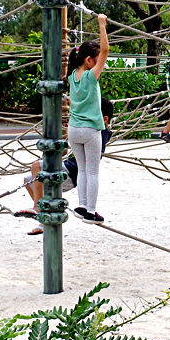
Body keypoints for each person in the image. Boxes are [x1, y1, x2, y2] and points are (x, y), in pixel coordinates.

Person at [17, 98, 113, 234]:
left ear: (104, 120)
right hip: (69, 169)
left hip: (72, 173)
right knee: (28, 180)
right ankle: (44, 218)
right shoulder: (92, 131)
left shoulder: (100, 133)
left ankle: (38, 209)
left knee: (36, 166)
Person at [66, 14, 109, 222]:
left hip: (73, 129)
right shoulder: (91, 76)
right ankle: (91, 211)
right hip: (90, 130)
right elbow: (106, 51)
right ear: (89, 60)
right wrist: (102, 25)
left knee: (82, 169)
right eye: (97, 58)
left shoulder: (72, 75)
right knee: (92, 171)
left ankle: (82, 206)